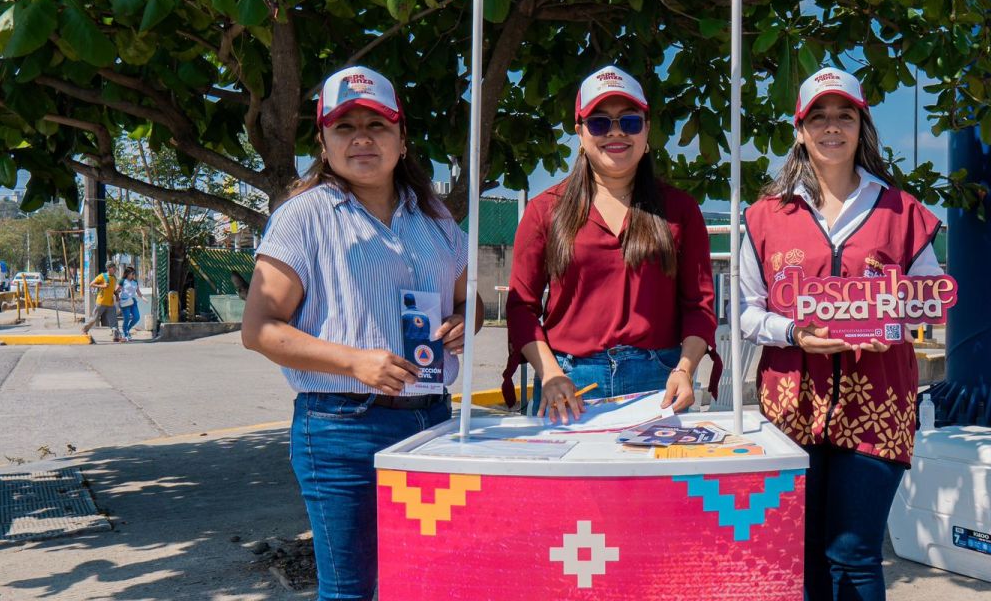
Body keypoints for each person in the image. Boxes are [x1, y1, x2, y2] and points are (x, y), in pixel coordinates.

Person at [241, 65, 477, 601]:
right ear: (323, 141)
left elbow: (471, 297)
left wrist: (467, 319)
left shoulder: (435, 218)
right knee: (350, 590)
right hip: (340, 429)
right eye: (345, 127)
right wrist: (354, 362)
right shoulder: (302, 218)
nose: (362, 138)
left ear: (401, 138)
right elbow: (258, 329)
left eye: (377, 124)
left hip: (431, 421)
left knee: (426, 584)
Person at [739, 67, 943, 601]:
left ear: (862, 126)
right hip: (790, 407)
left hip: (877, 403)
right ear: (800, 129)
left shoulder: (902, 212)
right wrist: (794, 332)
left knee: (853, 555)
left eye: (844, 116)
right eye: (819, 117)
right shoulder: (765, 216)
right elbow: (744, 310)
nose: (833, 128)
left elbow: (929, 299)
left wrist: (888, 323)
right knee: (799, 553)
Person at [503, 66, 719, 421]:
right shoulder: (545, 210)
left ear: (647, 130)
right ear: (580, 132)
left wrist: (684, 370)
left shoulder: (680, 210)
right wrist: (550, 374)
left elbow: (700, 306)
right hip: (568, 384)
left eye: (630, 122)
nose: (615, 132)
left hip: (659, 380)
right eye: (600, 122)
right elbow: (521, 307)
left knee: (653, 479)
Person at [82, 262, 119, 340]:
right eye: (113, 267)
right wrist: (102, 286)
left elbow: (112, 289)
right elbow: (91, 284)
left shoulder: (114, 277)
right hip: (101, 302)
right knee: (94, 318)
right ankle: (84, 329)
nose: (115, 269)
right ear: (109, 268)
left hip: (110, 303)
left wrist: (117, 295)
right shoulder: (102, 276)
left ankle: (115, 335)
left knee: (114, 320)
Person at [116, 266, 145, 342]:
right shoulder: (122, 281)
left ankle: (127, 329)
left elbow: (138, 292)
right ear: (128, 274)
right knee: (127, 318)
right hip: (125, 302)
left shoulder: (135, 282)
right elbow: (116, 290)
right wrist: (117, 297)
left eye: (134, 273)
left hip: (133, 301)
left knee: (137, 317)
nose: (133, 275)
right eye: (132, 273)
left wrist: (143, 297)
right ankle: (125, 334)